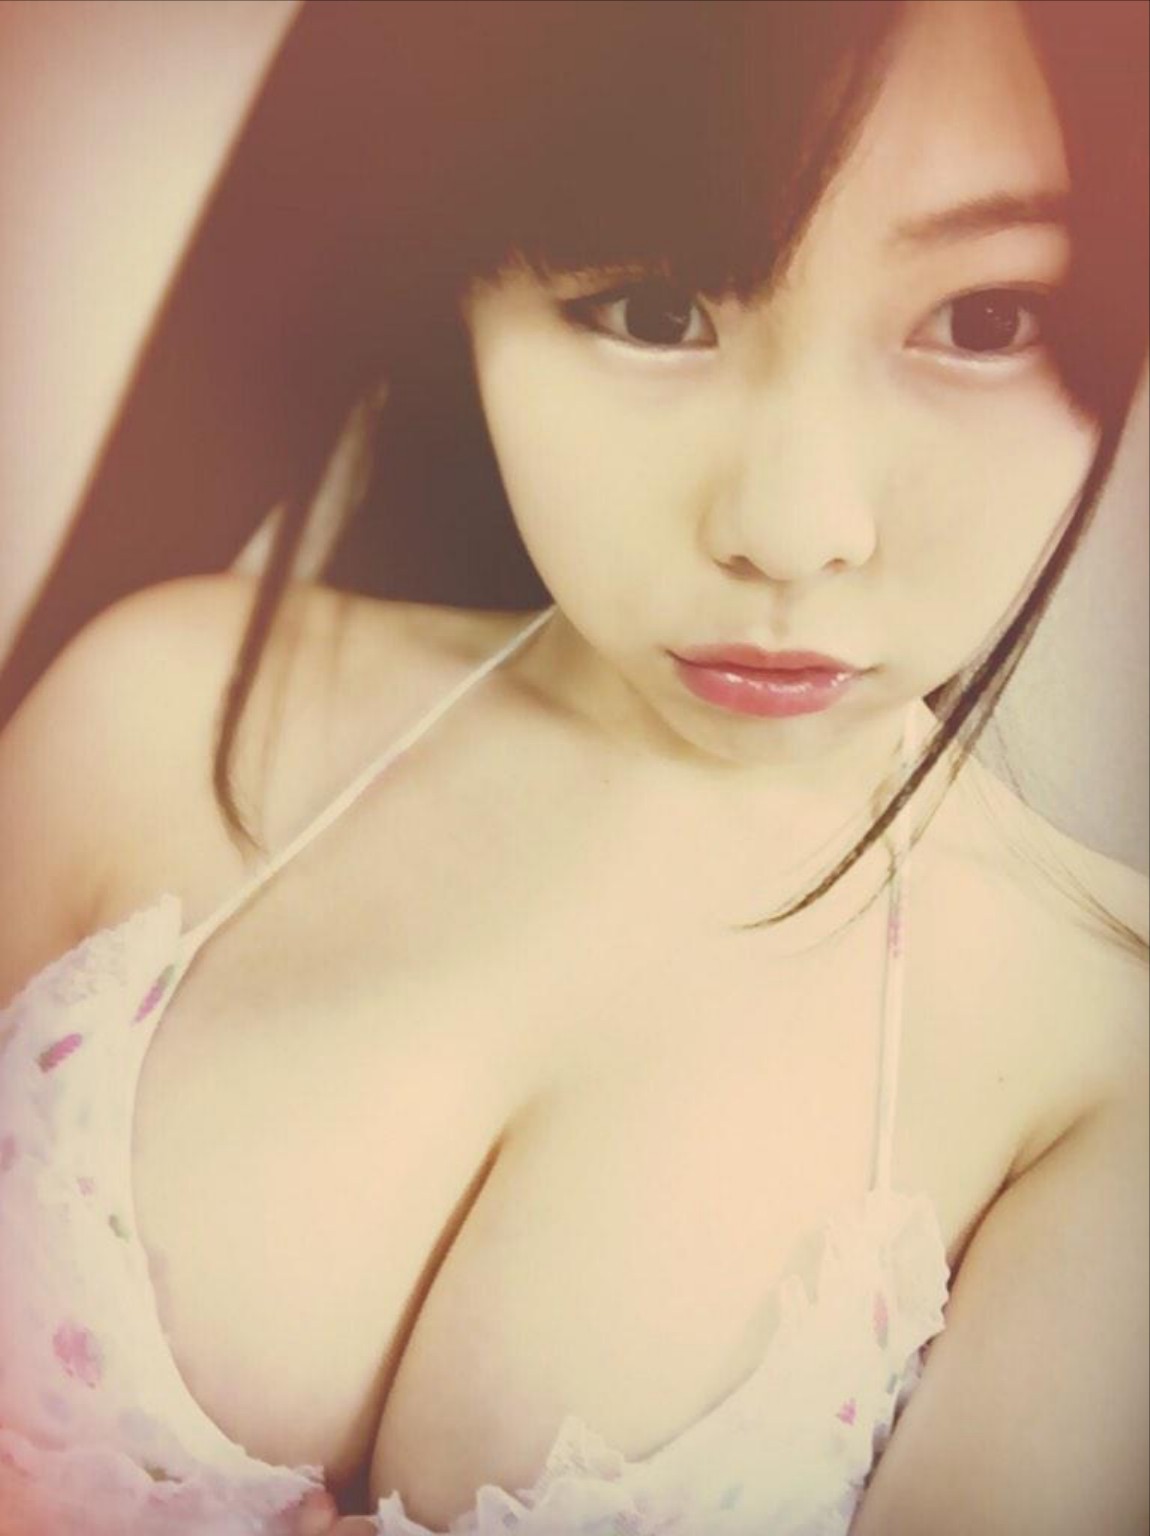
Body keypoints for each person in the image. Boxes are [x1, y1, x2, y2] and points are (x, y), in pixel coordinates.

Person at [0, 1, 1146, 1533]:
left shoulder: (1100, 1065)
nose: (792, 528)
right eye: (654, 312)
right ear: (464, 296)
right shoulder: (165, 711)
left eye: (986, 320)